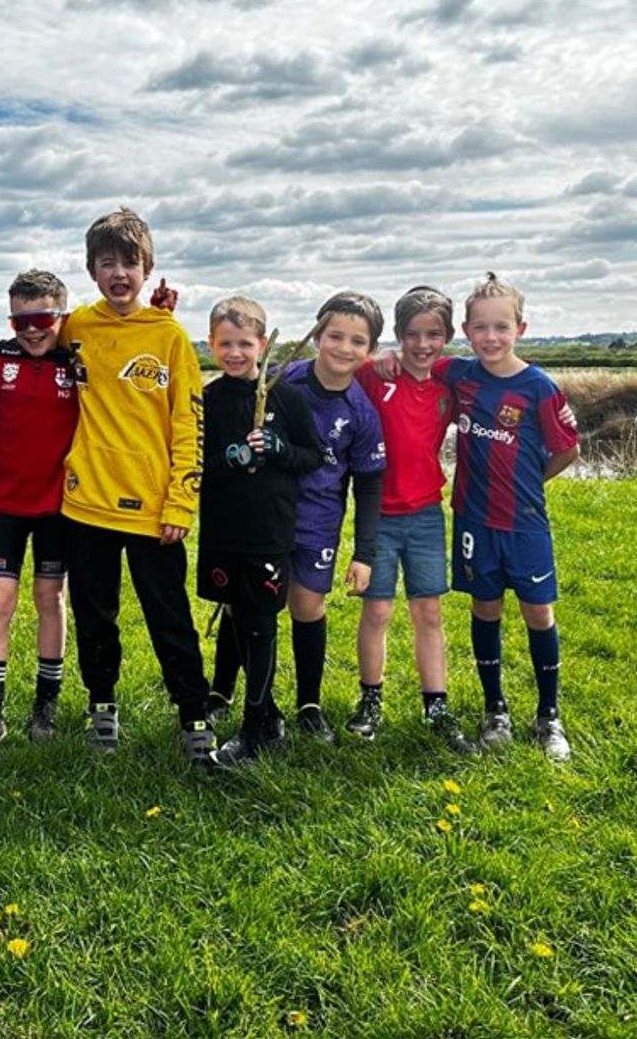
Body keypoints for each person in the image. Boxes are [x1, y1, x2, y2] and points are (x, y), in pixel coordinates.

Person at [59, 208, 215, 768]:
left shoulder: (169, 336)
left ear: (148, 268)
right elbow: (25, 343)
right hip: (86, 504)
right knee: (94, 617)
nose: (119, 273)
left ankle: (193, 715)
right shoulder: (75, 327)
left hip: (155, 513)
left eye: (130, 262)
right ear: (91, 269)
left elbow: (189, 425)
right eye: (108, 263)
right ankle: (102, 705)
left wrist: (180, 501)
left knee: (169, 618)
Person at [206, 292, 386, 743]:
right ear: (317, 337)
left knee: (305, 606)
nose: (343, 348)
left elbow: (367, 483)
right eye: (335, 336)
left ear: (371, 350)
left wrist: (364, 551)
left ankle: (309, 704)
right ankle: (226, 692)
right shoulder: (285, 380)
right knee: (241, 603)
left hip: (313, 523)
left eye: (357, 341)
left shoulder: (360, 412)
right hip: (260, 515)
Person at [434, 272, 579, 759]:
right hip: (474, 520)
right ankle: (495, 708)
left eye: (501, 327)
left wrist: (528, 483)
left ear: (521, 327)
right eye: (480, 328)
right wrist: (389, 360)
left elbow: (567, 450)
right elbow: (418, 365)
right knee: (485, 608)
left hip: (524, 523)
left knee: (538, 611)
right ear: (466, 332)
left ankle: (549, 716)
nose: (490, 338)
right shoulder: (460, 375)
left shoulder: (539, 387)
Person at [198, 296, 324, 766]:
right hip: (223, 528)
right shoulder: (206, 400)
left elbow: (312, 456)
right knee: (234, 610)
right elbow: (194, 467)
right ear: (211, 344)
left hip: (269, 530)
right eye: (225, 344)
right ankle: (227, 696)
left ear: (263, 344)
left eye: (245, 343)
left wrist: (277, 448)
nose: (235, 353)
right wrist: (231, 459)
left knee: (260, 622)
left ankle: (260, 721)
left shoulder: (285, 399)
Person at [354, 286, 477, 754]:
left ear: (447, 336)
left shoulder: (449, 387)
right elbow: (338, 367)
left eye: (433, 335)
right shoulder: (375, 374)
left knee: (428, 610)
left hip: (427, 513)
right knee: (378, 609)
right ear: (398, 335)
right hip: (378, 514)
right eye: (411, 335)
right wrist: (380, 353)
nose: (422, 345)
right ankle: (370, 699)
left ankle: (436, 704)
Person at [0, 270, 79, 761]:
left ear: (62, 316)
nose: (31, 330)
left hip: (59, 507)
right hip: (6, 506)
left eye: (42, 319)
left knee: (50, 599)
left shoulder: (78, 360)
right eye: (20, 320)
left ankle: (45, 704)